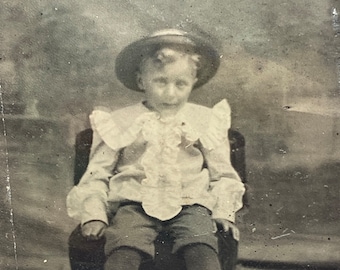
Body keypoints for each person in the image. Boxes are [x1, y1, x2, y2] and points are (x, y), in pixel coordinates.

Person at [66, 29, 245, 270]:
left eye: (180, 84)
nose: (171, 94)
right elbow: (96, 175)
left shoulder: (205, 120)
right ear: (142, 81)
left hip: (192, 204)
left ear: (194, 82)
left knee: (203, 252)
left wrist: (224, 211)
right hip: (133, 205)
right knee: (122, 254)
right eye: (160, 81)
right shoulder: (120, 121)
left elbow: (222, 174)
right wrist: (94, 215)